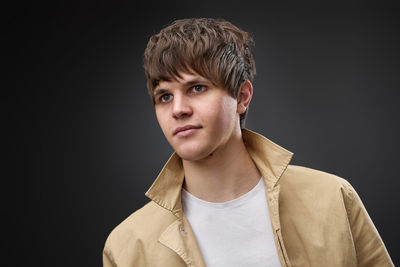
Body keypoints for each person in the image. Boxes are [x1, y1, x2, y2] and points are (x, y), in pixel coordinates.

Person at [103, 18, 393, 267]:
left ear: (242, 97)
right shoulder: (127, 246)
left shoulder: (333, 199)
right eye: (165, 96)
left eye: (197, 88)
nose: (178, 109)